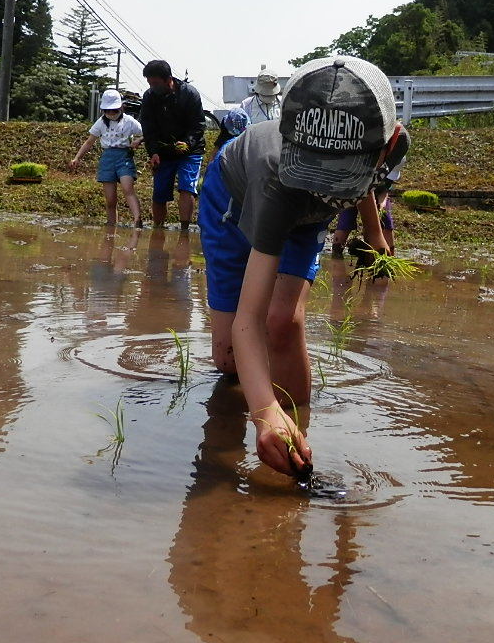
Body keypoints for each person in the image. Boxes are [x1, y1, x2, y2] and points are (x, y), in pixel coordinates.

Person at [198, 56, 408, 478]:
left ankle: (298, 441)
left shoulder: (391, 144)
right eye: (318, 169)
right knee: (228, 359)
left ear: (389, 142)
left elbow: (371, 182)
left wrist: (374, 234)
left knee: (285, 321)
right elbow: (247, 319)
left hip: (304, 216)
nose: (326, 185)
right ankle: (260, 418)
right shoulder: (277, 177)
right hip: (236, 198)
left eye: (338, 175)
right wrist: (262, 412)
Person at [139, 59, 206, 229]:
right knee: (159, 192)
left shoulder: (190, 94)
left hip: (190, 150)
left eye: (155, 82)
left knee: (186, 187)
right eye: (149, 82)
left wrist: (187, 143)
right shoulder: (149, 97)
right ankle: (158, 228)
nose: (151, 86)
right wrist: (153, 152)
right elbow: (148, 127)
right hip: (163, 150)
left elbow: (198, 125)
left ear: (168, 79)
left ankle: (184, 229)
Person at [68, 88, 145, 227]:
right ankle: (111, 226)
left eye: (114, 110)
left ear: (121, 107)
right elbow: (89, 141)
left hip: (124, 156)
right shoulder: (101, 123)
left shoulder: (129, 121)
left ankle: (137, 219)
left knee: (128, 188)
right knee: (110, 199)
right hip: (107, 159)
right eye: (107, 111)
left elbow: (146, 132)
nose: (111, 114)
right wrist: (77, 157)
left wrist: (138, 140)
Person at [331, 152, 404, 257]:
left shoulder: (394, 163)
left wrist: (380, 204)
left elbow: (385, 191)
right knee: (346, 220)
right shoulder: (365, 163)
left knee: (386, 221)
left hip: (377, 193)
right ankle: (336, 253)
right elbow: (358, 187)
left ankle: (390, 255)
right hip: (353, 190)